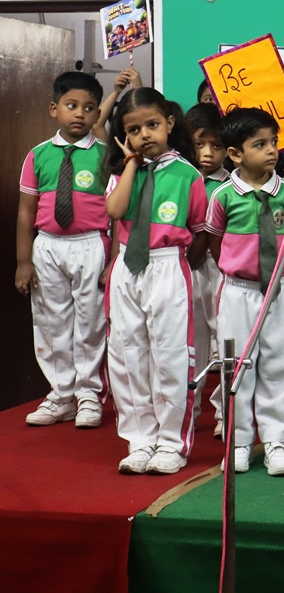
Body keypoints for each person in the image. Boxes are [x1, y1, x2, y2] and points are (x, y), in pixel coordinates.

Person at [105, 89, 207, 474]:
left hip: (167, 265)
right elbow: (115, 211)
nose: (144, 134)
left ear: (169, 124)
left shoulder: (188, 175)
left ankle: (171, 443)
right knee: (127, 354)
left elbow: (199, 231)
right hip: (127, 268)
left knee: (170, 356)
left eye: (152, 125)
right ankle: (140, 439)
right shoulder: (122, 174)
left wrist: (183, 269)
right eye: (133, 130)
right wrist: (131, 165)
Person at [206, 108, 284, 476]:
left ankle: (277, 441)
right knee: (238, 368)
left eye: (273, 142)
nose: (271, 150)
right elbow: (215, 244)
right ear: (235, 154)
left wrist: (280, 276)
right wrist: (239, 270)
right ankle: (239, 442)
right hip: (239, 292)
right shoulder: (223, 196)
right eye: (259, 144)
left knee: (281, 363)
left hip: (279, 290)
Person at [17, 72, 110, 428]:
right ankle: (61, 395)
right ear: (54, 108)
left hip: (91, 245)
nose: (80, 114)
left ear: (97, 114)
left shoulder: (105, 157)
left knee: (91, 322)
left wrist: (113, 259)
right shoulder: (37, 155)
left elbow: (119, 213)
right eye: (72, 106)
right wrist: (23, 261)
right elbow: (26, 212)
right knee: (50, 322)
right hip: (48, 247)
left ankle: (89, 395)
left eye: (89, 108)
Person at [184, 103, 230, 431]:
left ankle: (226, 412)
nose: (207, 153)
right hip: (184, 266)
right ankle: (189, 407)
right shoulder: (181, 180)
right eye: (199, 144)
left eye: (216, 145)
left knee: (224, 336)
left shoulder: (230, 185)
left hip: (219, 266)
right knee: (190, 341)